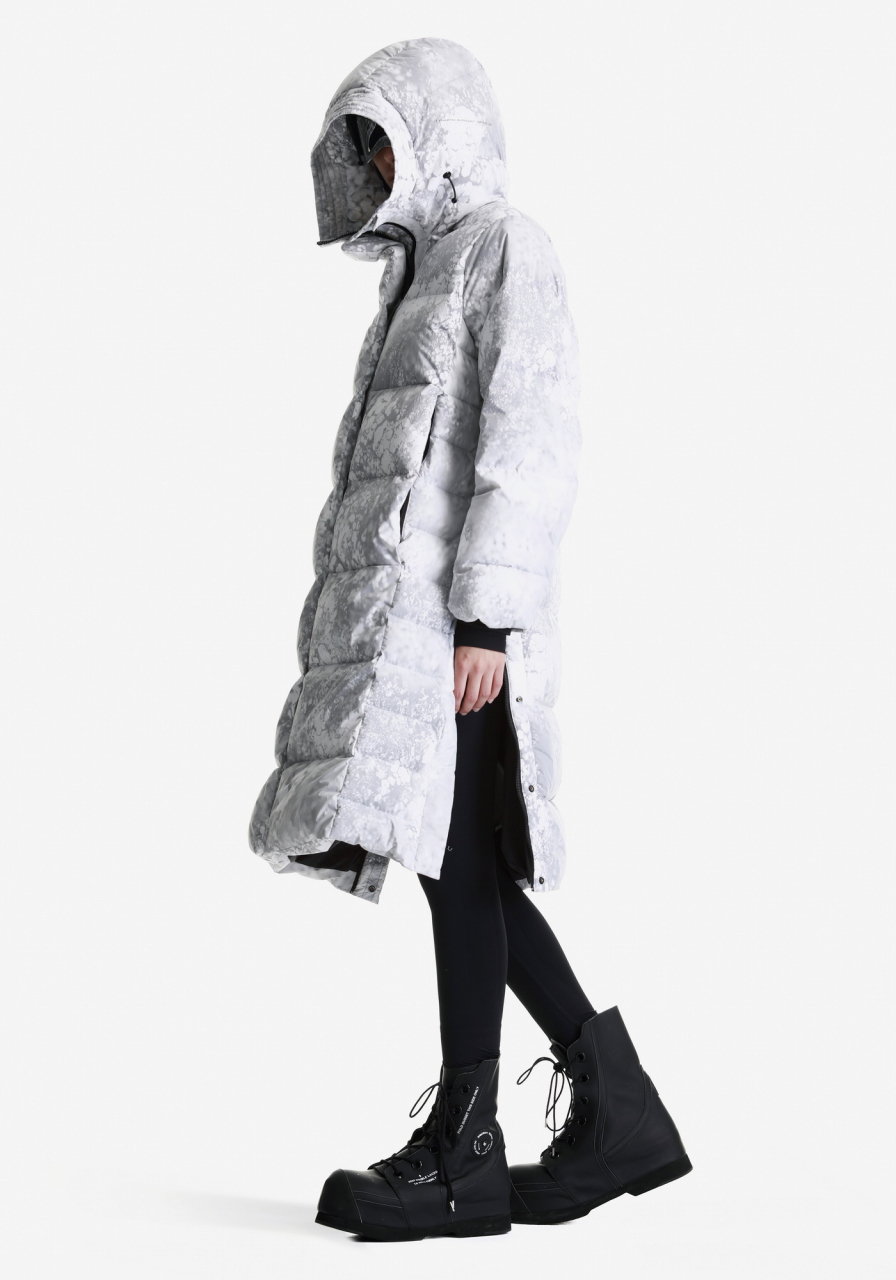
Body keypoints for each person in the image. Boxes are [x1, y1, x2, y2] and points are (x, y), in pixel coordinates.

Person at [248, 37, 691, 1241]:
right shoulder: (418, 276)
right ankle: (614, 1112)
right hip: (416, 632)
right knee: (463, 868)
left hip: (462, 630)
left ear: (437, 137)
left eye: (384, 143)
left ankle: (468, 1146)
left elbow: (528, 436)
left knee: (458, 864)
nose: (371, 167)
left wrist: (487, 616)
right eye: (358, 151)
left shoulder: (502, 248)